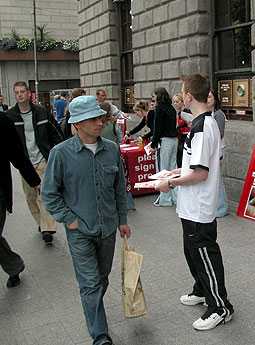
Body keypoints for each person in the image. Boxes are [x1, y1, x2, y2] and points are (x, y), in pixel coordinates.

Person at [41, 95, 131, 345]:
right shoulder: (60, 154)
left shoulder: (111, 149)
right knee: (90, 283)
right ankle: (100, 335)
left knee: (102, 278)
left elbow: (119, 189)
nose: (100, 122)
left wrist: (122, 219)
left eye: (100, 117)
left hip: (108, 228)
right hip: (79, 230)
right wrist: (68, 219)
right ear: (77, 124)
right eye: (93, 119)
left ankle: (93, 310)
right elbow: (49, 193)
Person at [157, 74, 234, 331]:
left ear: (189, 96)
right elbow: (195, 165)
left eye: (182, 92)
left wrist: (169, 183)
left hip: (199, 207)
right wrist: (175, 172)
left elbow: (201, 173)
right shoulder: (202, 123)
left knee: (204, 254)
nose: (181, 96)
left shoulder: (203, 126)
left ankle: (220, 307)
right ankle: (202, 289)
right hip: (191, 205)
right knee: (193, 252)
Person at [5, 81, 62, 245]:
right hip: (25, 164)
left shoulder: (41, 112)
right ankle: (41, 223)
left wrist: (58, 152)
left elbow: (55, 132)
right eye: (17, 92)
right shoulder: (10, 116)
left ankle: (47, 229)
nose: (20, 94)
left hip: (43, 160)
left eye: (23, 91)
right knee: (30, 197)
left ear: (29, 93)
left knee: (44, 195)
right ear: (14, 95)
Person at [0, 115, 41, 288]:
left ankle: (14, 266)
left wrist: (34, 181)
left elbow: (17, 155)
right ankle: (14, 265)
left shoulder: (2, 122)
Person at [99, 102, 136, 211]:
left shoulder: (97, 124)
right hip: (115, 153)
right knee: (121, 179)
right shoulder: (113, 123)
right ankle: (128, 204)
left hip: (102, 154)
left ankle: (109, 204)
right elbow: (119, 137)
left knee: (106, 180)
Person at [152, 87, 178, 207]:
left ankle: (165, 199)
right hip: (174, 140)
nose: (153, 98)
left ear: (159, 96)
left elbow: (157, 128)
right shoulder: (171, 108)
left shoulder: (159, 109)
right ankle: (176, 197)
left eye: (154, 95)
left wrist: (153, 144)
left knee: (163, 170)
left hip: (165, 141)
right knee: (172, 170)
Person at [208, 90, 228, 217]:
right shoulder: (208, 113)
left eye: (210, 97)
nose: (208, 99)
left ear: (215, 99)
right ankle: (216, 206)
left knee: (217, 180)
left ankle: (221, 208)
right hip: (211, 150)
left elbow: (219, 134)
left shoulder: (218, 114)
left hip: (217, 149)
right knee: (213, 180)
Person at [173, 93, 192, 168]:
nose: (175, 104)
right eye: (174, 102)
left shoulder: (186, 111)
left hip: (186, 136)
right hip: (180, 136)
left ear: (182, 102)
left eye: (177, 102)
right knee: (179, 158)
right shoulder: (178, 112)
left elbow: (190, 123)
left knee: (183, 157)